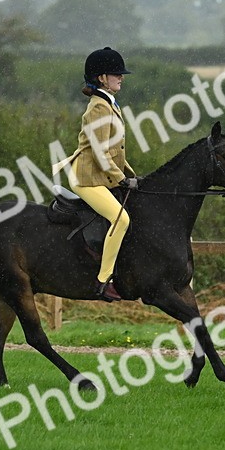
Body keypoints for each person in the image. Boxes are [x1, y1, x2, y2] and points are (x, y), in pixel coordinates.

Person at [60, 46, 139, 302]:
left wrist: (132, 175)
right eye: (116, 74)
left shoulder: (109, 104)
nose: (121, 77)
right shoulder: (98, 108)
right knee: (121, 220)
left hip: (100, 175)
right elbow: (99, 152)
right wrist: (120, 179)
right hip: (86, 179)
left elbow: (116, 151)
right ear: (102, 78)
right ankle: (103, 281)